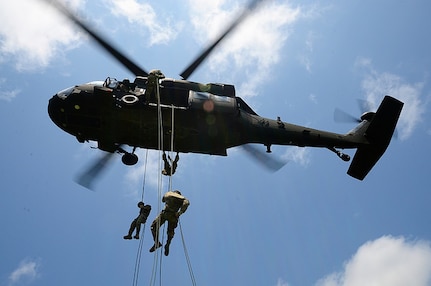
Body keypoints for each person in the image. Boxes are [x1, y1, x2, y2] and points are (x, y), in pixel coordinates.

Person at [149, 190, 190, 256]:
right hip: (167, 214)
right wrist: (180, 212)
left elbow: (186, 203)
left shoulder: (178, 197)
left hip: (170, 214)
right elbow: (186, 203)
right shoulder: (180, 197)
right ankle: (160, 243)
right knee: (167, 232)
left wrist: (179, 213)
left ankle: (166, 244)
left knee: (156, 228)